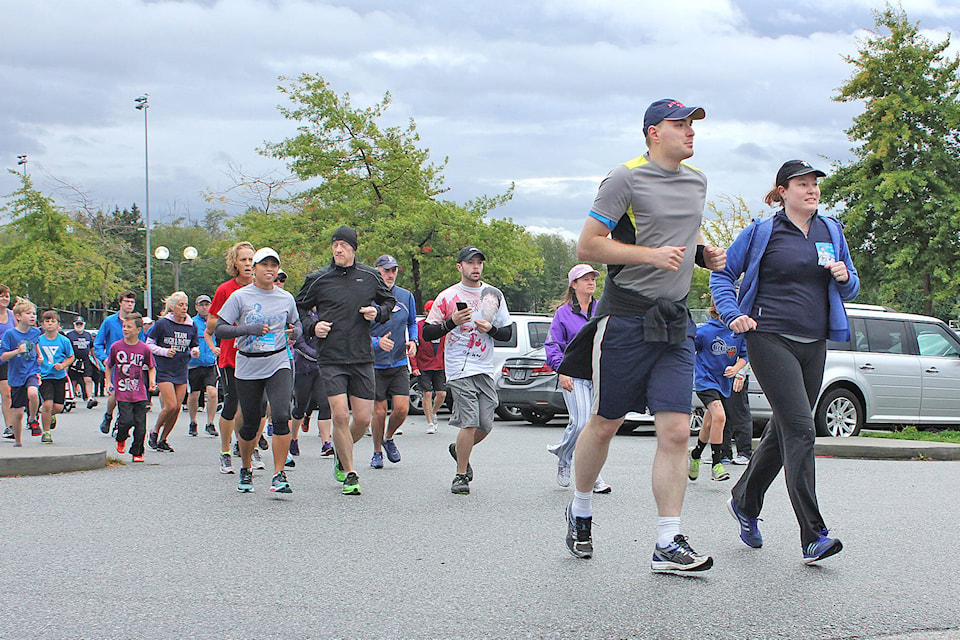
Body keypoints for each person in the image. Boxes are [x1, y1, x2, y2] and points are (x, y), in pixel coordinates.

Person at [557, 98, 726, 572]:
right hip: (625, 320)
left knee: (675, 429)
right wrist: (650, 256)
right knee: (606, 422)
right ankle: (581, 507)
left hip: (674, 322)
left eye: (694, 124)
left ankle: (667, 542)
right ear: (654, 132)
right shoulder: (625, 177)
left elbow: (680, 235)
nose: (691, 132)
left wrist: (702, 255)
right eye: (681, 124)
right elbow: (589, 244)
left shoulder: (697, 181)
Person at [711, 159, 859, 565]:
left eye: (814, 184)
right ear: (782, 191)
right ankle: (814, 535)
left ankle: (744, 500)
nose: (811, 190)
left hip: (815, 342)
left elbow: (850, 285)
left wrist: (845, 276)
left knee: (783, 432)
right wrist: (731, 313)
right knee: (801, 429)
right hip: (768, 336)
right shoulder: (762, 232)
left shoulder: (831, 230)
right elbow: (721, 274)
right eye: (802, 184)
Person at [295, 226, 394, 495]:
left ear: (353, 248)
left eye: (343, 245)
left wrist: (377, 312)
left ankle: (341, 452)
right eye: (334, 245)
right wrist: (311, 328)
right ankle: (350, 472)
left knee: (362, 419)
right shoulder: (319, 279)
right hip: (331, 356)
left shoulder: (370, 276)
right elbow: (300, 307)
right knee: (339, 414)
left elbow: (389, 304)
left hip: (361, 356)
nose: (338, 249)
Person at [423, 247, 512, 495]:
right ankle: (460, 476)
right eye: (470, 263)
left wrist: (490, 329)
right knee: (470, 421)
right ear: (459, 267)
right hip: (459, 367)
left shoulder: (493, 294)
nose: (476, 267)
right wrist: (452, 322)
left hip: (484, 366)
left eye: (479, 263)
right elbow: (427, 333)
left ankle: (458, 449)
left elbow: (508, 333)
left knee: (486, 424)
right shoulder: (448, 296)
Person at [215, 247, 301, 494]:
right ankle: (245, 468)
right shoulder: (240, 297)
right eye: (265, 265)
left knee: (282, 414)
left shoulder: (286, 298)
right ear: (254, 269)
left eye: (274, 266)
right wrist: (246, 329)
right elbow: (220, 329)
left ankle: (279, 473)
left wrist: (296, 332)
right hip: (249, 363)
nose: (270, 270)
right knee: (251, 422)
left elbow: (298, 325)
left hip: (278, 361)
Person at [544, 264, 611, 493]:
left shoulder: (602, 309)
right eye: (585, 279)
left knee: (597, 428)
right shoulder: (563, 313)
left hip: (599, 377)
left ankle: (584, 468)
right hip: (573, 376)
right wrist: (561, 370)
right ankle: (566, 459)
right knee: (582, 422)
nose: (591, 282)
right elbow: (552, 345)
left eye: (593, 278)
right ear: (574, 285)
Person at [207, 241, 256, 474]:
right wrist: (237, 322)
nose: (248, 264)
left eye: (251, 260)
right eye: (243, 260)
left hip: (257, 355)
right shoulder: (226, 290)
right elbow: (212, 324)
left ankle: (248, 446)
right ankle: (225, 451)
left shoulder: (262, 287)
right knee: (232, 404)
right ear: (234, 263)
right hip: (232, 356)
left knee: (256, 407)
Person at [688, 302, 747, 483]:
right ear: (716, 310)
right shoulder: (704, 331)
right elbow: (688, 349)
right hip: (705, 381)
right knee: (720, 416)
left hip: (724, 382)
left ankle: (695, 454)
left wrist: (735, 369)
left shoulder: (738, 332)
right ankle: (717, 463)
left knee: (709, 423)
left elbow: (745, 356)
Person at [369, 254, 417, 469]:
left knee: (401, 409)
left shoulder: (405, 296)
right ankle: (377, 451)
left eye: (394, 270)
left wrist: (413, 341)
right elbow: (356, 332)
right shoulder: (367, 297)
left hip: (398, 362)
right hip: (374, 364)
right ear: (377, 271)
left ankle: (388, 437)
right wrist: (377, 342)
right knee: (379, 411)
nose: (390, 274)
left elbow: (412, 322)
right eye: (386, 270)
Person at [146, 292, 200, 452]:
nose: (184, 308)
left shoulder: (191, 325)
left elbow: (193, 345)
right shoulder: (162, 324)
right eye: (180, 305)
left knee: (177, 407)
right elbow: (149, 344)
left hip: (181, 369)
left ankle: (164, 438)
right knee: (170, 405)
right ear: (172, 307)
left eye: (185, 305)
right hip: (164, 369)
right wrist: (164, 351)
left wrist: (195, 351)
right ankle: (154, 431)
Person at [105, 313, 156, 462]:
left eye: (129, 327)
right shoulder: (116, 346)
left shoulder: (144, 348)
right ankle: (121, 437)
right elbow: (109, 366)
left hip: (139, 391)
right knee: (126, 421)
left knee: (140, 425)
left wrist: (152, 381)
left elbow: (151, 367)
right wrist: (108, 382)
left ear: (138, 329)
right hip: (122, 391)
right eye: (124, 327)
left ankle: (137, 451)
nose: (125, 329)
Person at [94, 291, 138, 435]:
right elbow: (98, 343)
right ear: (120, 303)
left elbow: (142, 342)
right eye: (127, 301)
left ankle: (121, 422)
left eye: (132, 302)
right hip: (114, 365)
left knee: (129, 396)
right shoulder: (109, 322)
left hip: (132, 365)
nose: (129, 305)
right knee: (116, 393)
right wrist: (104, 358)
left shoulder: (137, 322)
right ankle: (108, 415)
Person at [0, 297, 42, 447]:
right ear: (18, 316)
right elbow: (3, 356)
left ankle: (32, 418)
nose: (33, 316)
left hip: (31, 371)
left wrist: (40, 356)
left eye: (34, 313)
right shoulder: (10, 334)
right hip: (16, 376)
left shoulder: (35, 332)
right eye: (28, 313)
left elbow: (36, 345)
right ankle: (18, 442)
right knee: (17, 413)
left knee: (32, 393)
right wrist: (16, 351)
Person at [37, 310, 75, 443]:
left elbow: (71, 357)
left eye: (53, 321)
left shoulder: (64, 340)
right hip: (44, 376)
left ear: (58, 324)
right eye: (47, 321)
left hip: (59, 376)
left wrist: (63, 365)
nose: (50, 324)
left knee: (58, 407)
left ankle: (50, 415)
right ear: (42, 324)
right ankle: (46, 432)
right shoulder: (39, 340)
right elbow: (34, 357)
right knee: (47, 404)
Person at [187, 294, 219, 438]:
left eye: (207, 305)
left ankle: (210, 423)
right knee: (194, 394)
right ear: (196, 307)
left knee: (212, 393)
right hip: (194, 364)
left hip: (210, 363)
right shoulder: (191, 323)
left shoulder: (215, 322)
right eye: (202, 305)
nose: (205, 307)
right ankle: (193, 422)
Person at [413, 300, 446, 435]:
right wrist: (414, 366)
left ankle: (433, 412)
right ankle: (430, 422)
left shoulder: (443, 326)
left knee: (441, 394)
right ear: (426, 312)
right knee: (426, 393)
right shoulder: (419, 326)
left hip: (439, 364)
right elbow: (413, 347)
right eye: (429, 311)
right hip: (423, 364)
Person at [721, 365, 754, 465]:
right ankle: (723, 453)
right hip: (721, 376)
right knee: (723, 415)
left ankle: (744, 453)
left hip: (737, 376)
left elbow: (747, 356)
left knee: (739, 413)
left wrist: (740, 374)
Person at [66, 316, 99, 409]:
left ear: (84, 324)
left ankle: (89, 398)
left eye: (81, 324)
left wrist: (96, 361)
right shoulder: (69, 335)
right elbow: (66, 348)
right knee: (73, 380)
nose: (79, 325)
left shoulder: (87, 335)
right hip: (74, 360)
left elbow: (92, 348)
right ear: (74, 324)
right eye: (77, 324)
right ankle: (71, 398)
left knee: (88, 379)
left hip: (85, 360)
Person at [0, 285, 17, 439]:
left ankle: (9, 426)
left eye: (7, 296)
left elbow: (18, 334)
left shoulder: (12, 316)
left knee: (7, 394)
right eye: (2, 296)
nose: (5, 298)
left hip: (5, 360)